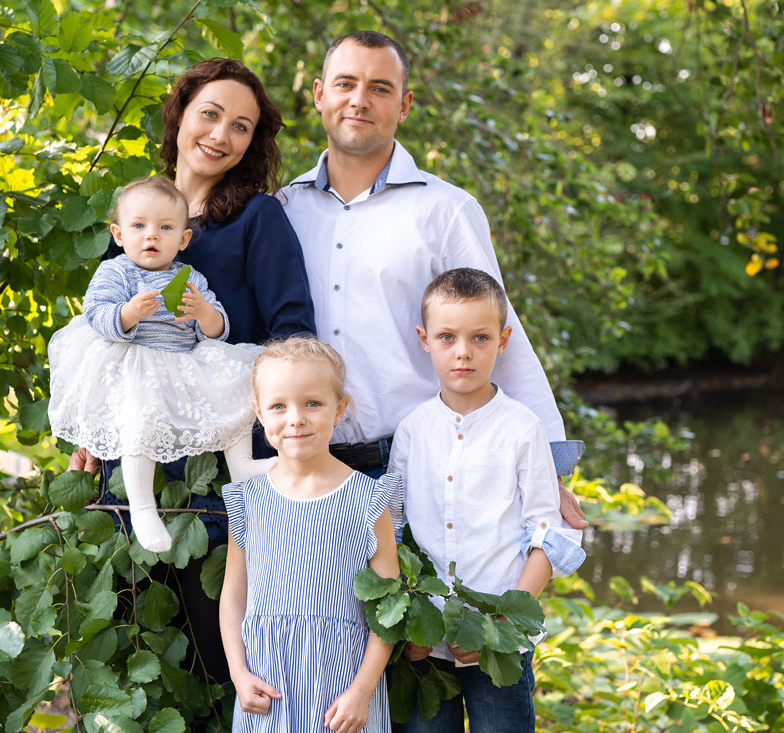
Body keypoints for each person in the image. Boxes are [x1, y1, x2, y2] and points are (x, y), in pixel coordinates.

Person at [68, 59, 317, 684]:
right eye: (210, 114)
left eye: (241, 126)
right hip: (136, 457)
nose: (220, 134)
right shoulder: (135, 220)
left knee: (224, 663)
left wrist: (286, 436)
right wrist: (87, 434)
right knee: (135, 659)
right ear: (180, 115)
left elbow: (293, 335)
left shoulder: (257, 219)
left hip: (218, 469)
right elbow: (101, 333)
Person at [279, 30, 589, 530]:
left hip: (417, 467)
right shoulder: (282, 209)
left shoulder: (445, 212)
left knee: (420, 608)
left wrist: (547, 469)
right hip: (300, 468)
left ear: (405, 105)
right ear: (319, 94)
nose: (360, 100)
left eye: (380, 88)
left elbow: (496, 334)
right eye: (346, 83)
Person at [389, 269, 586, 732]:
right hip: (424, 641)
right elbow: (393, 530)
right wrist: (409, 626)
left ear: (502, 340)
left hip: (499, 641)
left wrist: (501, 624)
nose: (463, 352)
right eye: (447, 337)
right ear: (424, 339)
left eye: (480, 337)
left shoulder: (522, 428)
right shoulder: (412, 430)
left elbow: (546, 533)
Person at [48, 177, 276, 553]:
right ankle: (141, 506)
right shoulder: (117, 272)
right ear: (119, 234)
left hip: (184, 362)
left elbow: (217, 330)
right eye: (139, 226)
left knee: (235, 386)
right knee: (140, 419)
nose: (151, 235)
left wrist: (204, 314)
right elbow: (96, 314)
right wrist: (129, 312)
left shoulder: (190, 278)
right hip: (136, 360)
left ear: (183, 240)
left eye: (165, 228)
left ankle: (243, 467)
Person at [220, 337, 398, 733]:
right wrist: (238, 672)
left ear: (340, 409)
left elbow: (389, 610)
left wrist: (362, 691)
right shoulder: (247, 501)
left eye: (312, 403)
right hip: (269, 689)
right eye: (279, 406)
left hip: (342, 694)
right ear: (258, 413)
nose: (296, 418)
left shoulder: (369, 498)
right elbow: (233, 596)